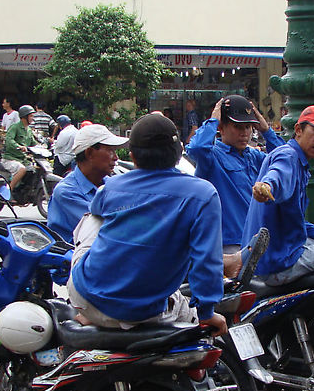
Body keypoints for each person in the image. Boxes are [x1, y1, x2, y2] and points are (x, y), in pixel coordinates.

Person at [68, 113, 227, 336]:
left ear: (132, 157)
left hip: (84, 295)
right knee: (180, 302)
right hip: (141, 314)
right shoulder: (203, 194)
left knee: (94, 216)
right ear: (180, 152)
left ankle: (97, 315)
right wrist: (208, 311)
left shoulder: (110, 187)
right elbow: (207, 260)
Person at [242, 105, 314, 285]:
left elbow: (297, 223)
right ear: (298, 130)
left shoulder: (296, 159)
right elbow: (278, 174)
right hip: (277, 265)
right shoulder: (289, 156)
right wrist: (267, 187)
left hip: (269, 258)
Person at [187, 95, 285, 252]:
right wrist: (213, 120)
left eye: (248, 127)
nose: (245, 133)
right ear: (221, 127)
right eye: (238, 127)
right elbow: (196, 148)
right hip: (229, 244)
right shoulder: (212, 157)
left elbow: (284, 159)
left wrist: (266, 130)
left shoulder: (255, 156)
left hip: (261, 239)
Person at [47, 123, 127, 242]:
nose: (115, 157)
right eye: (110, 150)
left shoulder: (110, 184)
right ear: (89, 153)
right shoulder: (66, 192)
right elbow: (106, 227)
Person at [3, 104, 37, 191]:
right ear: (24, 117)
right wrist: (19, 146)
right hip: (11, 158)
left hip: (23, 159)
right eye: (31, 116)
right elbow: (9, 140)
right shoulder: (15, 127)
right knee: (22, 169)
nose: (32, 118)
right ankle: (9, 191)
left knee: (35, 169)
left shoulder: (29, 130)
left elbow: (33, 143)